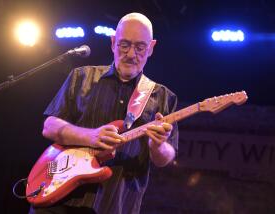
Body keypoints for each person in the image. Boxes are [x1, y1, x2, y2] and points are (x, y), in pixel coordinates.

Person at [30, 12, 178, 214]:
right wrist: (91, 136)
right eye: (124, 45)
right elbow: (49, 127)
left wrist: (158, 146)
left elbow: (166, 158)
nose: (131, 54)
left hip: (116, 204)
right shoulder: (81, 77)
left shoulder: (162, 96)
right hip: (58, 196)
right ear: (113, 43)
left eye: (140, 47)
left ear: (151, 48)